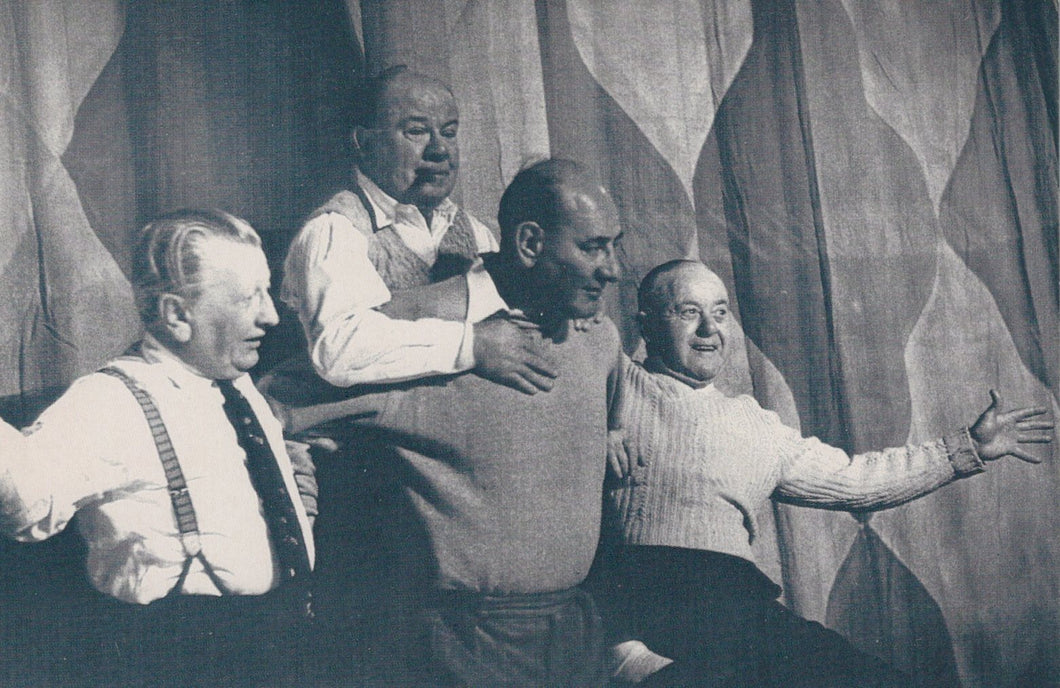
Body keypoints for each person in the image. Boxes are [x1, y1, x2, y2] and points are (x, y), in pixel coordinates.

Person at [595, 259, 1053, 687]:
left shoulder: (754, 424)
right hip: (644, 599)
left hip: (735, 607)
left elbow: (857, 479)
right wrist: (593, 432)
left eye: (720, 312)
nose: (709, 329)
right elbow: (571, 341)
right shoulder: (615, 384)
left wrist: (967, 448)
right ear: (646, 325)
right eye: (688, 312)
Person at [264, 158, 624, 686]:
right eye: (593, 247)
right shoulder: (423, 333)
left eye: (614, 246)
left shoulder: (601, 339)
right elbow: (276, 403)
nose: (612, 269)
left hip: (575, 636)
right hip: (463, 645)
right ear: (529, 244)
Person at [0, 210, 318, 687]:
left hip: (279, 641)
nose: (270, 315)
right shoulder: (110, 402)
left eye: (267, 291)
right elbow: (27, 503)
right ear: (176, 315)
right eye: (247, 298)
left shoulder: (233, 382)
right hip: (185, 658)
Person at [281, 65, 555, 395]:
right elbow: (338, 349)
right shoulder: (334, 230)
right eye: (416, 132)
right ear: (364, 143)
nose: (439, 150)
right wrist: (471, 344)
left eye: (449, 133)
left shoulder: (473, 231)